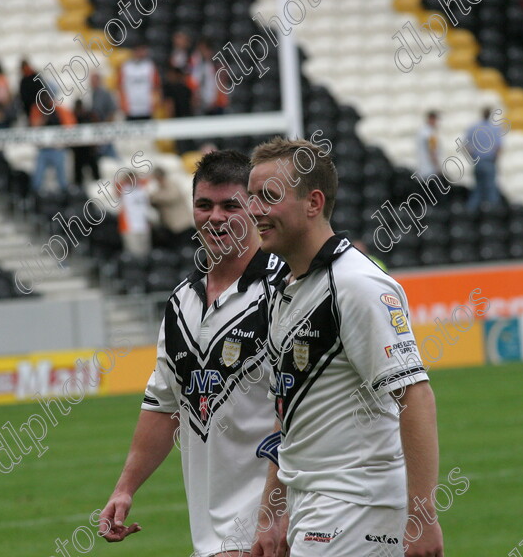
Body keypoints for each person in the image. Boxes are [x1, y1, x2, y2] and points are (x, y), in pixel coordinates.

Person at [246, 137, 444, 557]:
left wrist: (423, 515)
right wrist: (275, 510)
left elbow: (415, 394)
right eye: (251, 197)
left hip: (356, 508)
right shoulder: (287, 289)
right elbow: (291, 416)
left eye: (269, 196)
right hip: (314, 505)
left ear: (313, 203)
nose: (255, 210)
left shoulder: (356, 284)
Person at [99, 151, 285, 557]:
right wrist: (125, 488)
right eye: (204, 205)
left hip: (272, 533)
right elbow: (164, 406)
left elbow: (299, 416)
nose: (215, 217)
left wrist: (274, 516)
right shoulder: (181, 301)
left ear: (254, 207)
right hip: (211, 539)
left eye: (229, 205)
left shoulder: (284, 289)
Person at [30, 92, 75, 192]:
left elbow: (69, 126)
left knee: (62, 180)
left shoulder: (58, 110)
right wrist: (44, 117)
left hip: (57, 148)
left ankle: (65, 198)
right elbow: (34, 126)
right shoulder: (38, 110)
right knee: (37, 179)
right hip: (43, 149)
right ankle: (36, 197)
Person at [466, 108, 503, 211]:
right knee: (491, 190)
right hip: (489, 162)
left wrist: (473, 157)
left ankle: (470, 212)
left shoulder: (474, 128)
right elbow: (498, 148)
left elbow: (466, 145)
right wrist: (495, 160)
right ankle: (493, 214)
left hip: (478, 162)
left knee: (477, 189)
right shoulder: (495, 129)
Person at [149, 166, 194, 246]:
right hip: (170, 226)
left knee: (185, 247)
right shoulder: (160, 188)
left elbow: (172, 197)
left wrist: (155, 197)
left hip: (181, 224)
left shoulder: (171, 184)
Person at [118, 44, 161, 121]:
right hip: (130, 107)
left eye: (142, 50)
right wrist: (123, 104)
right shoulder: (126, 67)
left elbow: (156, 86)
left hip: (147, 107)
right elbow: (120, 86)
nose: (140, 53)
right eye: (138, 51)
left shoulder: (150, 66)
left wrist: (154, 103)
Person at [71, 99, 101, 186]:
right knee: (78, 172)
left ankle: (98, 184)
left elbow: (97, 128)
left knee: (94, 168)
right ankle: (78, 187)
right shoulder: (73, 117)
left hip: (89, 149)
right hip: (78, 150)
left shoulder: (90, 116)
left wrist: (94, 145)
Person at [417, 111, 441, 180]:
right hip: (430, 171)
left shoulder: (421, 131)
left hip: (422, 169)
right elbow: (432, 151)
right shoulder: (430, 134)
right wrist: (438, 167)